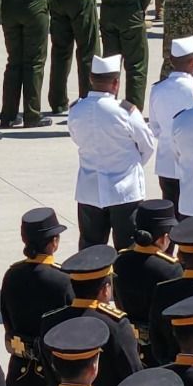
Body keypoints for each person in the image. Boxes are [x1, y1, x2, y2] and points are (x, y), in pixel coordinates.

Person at [68, 53, 160, 248]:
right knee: (127, 249)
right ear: (116, 83)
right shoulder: (125, 112)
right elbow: (147, 145)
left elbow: (77, 138)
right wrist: (131, 164)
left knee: (90, 248)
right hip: (124, 191)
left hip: (89, 190)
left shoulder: (76, 109)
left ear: (91, 79)